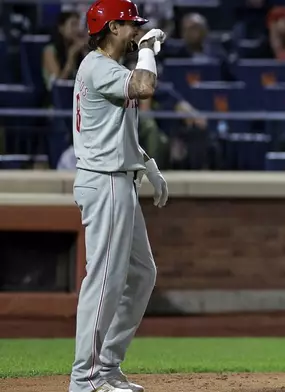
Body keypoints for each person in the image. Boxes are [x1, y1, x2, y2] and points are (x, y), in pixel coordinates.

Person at [69, 0, 169, 391]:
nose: (135, 32)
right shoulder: (98, 66)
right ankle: (86, 379)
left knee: (142, 275)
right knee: (106, 280)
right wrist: (147, 49)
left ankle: (107, 367)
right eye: (130, 26)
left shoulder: (106, 69)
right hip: (105, 181)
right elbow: (145, 87)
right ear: (111, 27)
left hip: (119, 177)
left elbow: (110, 132)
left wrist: (146, 162)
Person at [42, 11, 87, 90]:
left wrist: (85, 52)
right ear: (61, 28)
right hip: (56, 97)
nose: (77, 30)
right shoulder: (49, 51)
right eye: (73, 25)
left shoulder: (77, 48)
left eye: (78, 25)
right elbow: (59, 84)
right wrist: (71, 57)